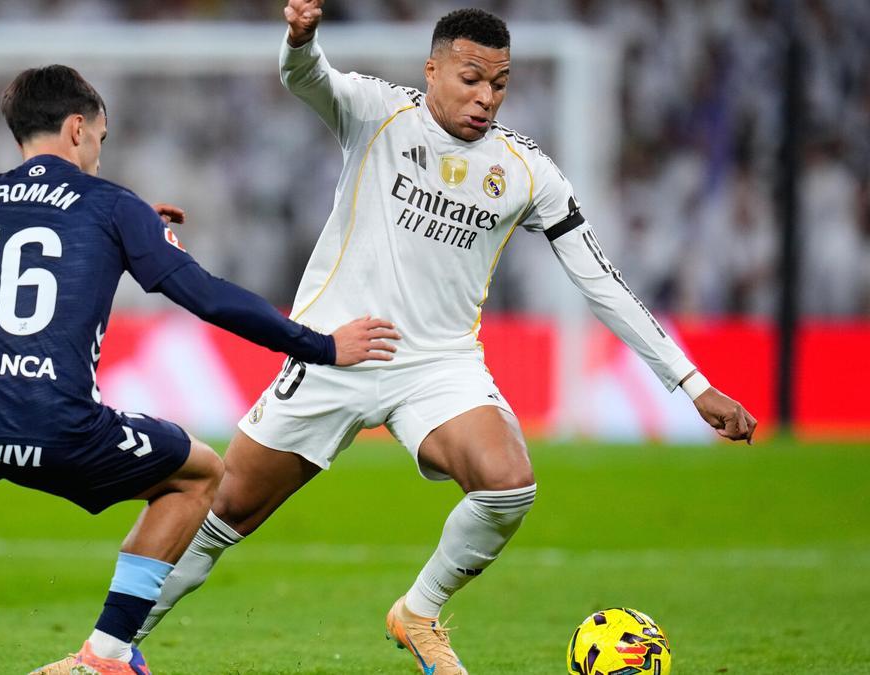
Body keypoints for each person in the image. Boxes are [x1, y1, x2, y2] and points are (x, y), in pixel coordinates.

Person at [135, 3, 758, 674]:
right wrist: (300, 37)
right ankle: (110, 648)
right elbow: (305, 77)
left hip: (438, 362)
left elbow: (601, 280)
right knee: (227, 508)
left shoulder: (526, 170)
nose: (486, 97)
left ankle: (419, 611)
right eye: (470, 79)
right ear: (432, 71)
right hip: (335, 349)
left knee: (509, 483)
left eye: (500, 83)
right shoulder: (376, 112)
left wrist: (691, 383)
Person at [0, 64, 400, 675]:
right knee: (198, 472)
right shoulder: (110, 205)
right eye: (100, 138)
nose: (99, 153)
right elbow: (204, 294)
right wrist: (320, 344)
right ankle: (109, 651)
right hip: (50, 416)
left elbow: (45, 254)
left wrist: (137, 230)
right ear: (77, 127)